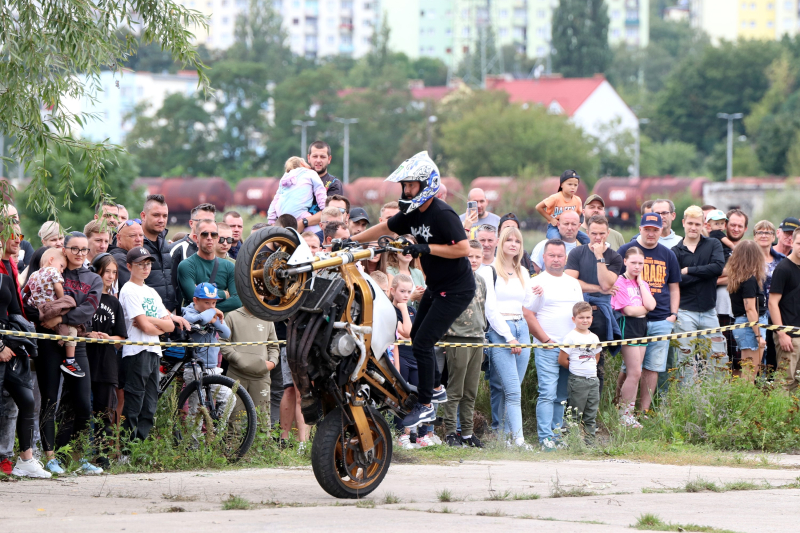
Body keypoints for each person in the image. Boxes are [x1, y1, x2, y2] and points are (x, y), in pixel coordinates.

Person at [352, 152, 473, 429]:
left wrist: (426, 248)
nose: (407, 190)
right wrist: (350, 239)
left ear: (427, 184)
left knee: (422, 342)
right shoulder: (411, 213)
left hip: (457, 289)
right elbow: (386, 227)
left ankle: (427, 405)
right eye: (404, 186)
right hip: (437, 286)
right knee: (417, 336)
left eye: (411, 186)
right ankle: (436, 389)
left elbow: (463, 248)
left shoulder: (442, 213)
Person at [27, 232, 104, 474]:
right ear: (65, 249)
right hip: (48, 342)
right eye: (75, 249)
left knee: (83, 402)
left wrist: (60, 317)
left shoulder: (93, 278)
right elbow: (28, 299)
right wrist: (43, 318)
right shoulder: (53, 269)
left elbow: (88, 309)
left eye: (84, 250)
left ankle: (81, 458)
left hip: (76, 341)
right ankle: (50, 458)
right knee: (50, 400)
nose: (80, 254)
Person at [617, 213, 681, 413]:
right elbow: (614, 279)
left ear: (661, 230)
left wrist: (673, 314)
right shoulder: (626, 251)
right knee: (629, 369)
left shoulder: (668, 254)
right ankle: (618, 406)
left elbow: (674, 287)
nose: (651, 233)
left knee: (653, 367)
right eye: (647, 229)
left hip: (661, 318)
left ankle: (643, 411)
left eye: (655, 230)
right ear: (640, 228)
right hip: (633, 320)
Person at [526, 239, 584, 450]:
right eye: (552, 255)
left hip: (570, 349)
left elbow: (579, 314)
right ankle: (545, 439)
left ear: (565, 258)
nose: (556, 259)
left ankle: (557, 436)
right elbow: (528, 314)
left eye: (560, 255)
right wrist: (546, 340)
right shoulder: (536, 282)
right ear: (544, 257)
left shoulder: (573, 283)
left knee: (561, 396)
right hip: (547, 347)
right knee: (547, 393)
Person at [0, 228, 48, 477]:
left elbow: (15, 312)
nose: (18, 241)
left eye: (20, 235)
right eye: (11, 235)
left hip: (11, 348)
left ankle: (25, 459)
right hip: (1, 347)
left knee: (26, 402)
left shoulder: (8, 274)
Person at [486, 227, 538, 448]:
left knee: (514, 387)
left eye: (518, 241)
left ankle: (509, 438)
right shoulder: (488, 271)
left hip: (522, 328)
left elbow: (528, 306)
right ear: (500, 243)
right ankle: (518, 439)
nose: (514, 244)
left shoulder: (523, 272)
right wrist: (508, 337)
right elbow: (490, 310)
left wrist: (538, 296)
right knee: (512, 388)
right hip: (501, 330)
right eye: (509, 240)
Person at [119, 247, 174, 441]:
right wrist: (156, 324)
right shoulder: (128, 290)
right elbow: (143, 326)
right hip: (136, 350)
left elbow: (170, 325)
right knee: (134, 402)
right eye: (140, 264)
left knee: (150, 404)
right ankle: (126, 448)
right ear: (129, 266)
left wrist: (153, 321)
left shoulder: (151, 292)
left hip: (153, 350)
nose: (145, 268)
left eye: (148, 264)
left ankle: (138, 446)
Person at [564, 215, 623, 397]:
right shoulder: (577, 253)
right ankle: (572, 407)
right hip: (578, 313)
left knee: (597, 364)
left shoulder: (614, 257)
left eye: (602, 234)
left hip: (599, 316)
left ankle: (593, 409)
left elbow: (607, 285)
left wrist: (599, 257)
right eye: (594, 233)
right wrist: (597, 288)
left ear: (608, 233)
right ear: (587, 232)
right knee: (572, 359)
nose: (598, 238)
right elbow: (570, 281)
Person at [671, 205, 726, 386]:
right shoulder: (675, 251)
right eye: (690, 223)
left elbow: (718, 268)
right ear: (683, 223)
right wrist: (704, 274)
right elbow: (676, 281)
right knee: (684, 360)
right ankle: (686, 401)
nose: (693, 227)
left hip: (710, 311)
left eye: (697, 224)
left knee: (718, 358)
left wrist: (688, 271)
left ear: (704, 224)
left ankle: (716, 398)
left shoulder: (713, 244)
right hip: (685, 311)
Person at [442, 240, 488, 448]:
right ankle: (451, 431)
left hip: (477, 339)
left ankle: (467, 432)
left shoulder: (481, 281)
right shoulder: (451, 279)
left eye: (478, 256)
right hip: (457, 338)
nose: (474, 260)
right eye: (470, 256)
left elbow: (483, 308)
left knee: (471, 390)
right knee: (455, 390)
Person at [85, 253, 127, 467]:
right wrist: (88, 335)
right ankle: (78, 453)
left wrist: (109, 338)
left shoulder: (114, 302)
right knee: (82, 408)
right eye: (106, 271)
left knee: (105, 412)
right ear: (97, 271)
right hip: (85, 360)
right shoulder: (87, 297)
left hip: (107, 363)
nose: (110, 276)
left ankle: (102, 455)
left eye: (114, 272)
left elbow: (121, 338)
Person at [611, 247, 656, 428]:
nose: (637, 266)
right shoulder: (620, 281)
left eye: (640, 263)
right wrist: (644, 309)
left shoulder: (640, 283)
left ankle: (627, 412)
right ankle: (624, 414)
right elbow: (628, 310)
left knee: (637, 372)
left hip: (642, 327)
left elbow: (651, 305)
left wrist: (642, 283)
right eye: (633, 263)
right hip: (627, 327)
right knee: (634, 372)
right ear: (625, 262)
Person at [25, 247, 86, 377]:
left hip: (38, 309)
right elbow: (58, 287)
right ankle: (70, 360)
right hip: (52, 307)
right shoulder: (53, 271)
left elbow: (26, 290)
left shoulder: (33, 274)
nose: (62, 270)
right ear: (51, 260)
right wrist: (63, 300)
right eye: (62, 266)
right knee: (72, 325)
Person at [181, 282, 232, 424]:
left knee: (229, 396)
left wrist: (215, 319)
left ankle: (216, 432)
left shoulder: (213, 314)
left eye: (214, 303)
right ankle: (194, 445)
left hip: (213, 368)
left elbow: (226, 333)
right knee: (197, 409)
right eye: (207, 302)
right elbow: (200, 319)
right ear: (195, 300)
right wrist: (213, 312)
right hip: (194, 368)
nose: (211, 306)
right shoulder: (188, 311)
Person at [221, 305, 279, 423]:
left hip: (261, 378)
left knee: (262, 420)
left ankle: (262, 443)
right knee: (235, 420)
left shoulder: (267, 318)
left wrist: (273, 362)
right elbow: (223, 343)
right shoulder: (232, 316)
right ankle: (235, 442)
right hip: (236, 376)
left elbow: (274, 346)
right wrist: (238, 359)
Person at [558, 302, 602, 444]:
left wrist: (590, 367)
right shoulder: (571, 337)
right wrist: (576, 368)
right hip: (577, 380)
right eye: (581, 317)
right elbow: (562, 359)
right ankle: (573, 442)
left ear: (592, 318)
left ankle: (590, 443)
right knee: (575, 413)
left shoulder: (594, 337)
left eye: (588, 317)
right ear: (574, 319)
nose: (585, 320)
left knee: (591, 413)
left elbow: (596, 356)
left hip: (593, 380)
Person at [391, 274, 425, 449]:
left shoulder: (413, 311)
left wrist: (408, 309)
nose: (405, 295)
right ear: (392, 291)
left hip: (415, 357)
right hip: (401, 357)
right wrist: (404, 308)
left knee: (417, 395)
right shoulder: (391, 311)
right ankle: (400, 433)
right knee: (402, 397)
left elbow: (418, 331)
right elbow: (407, 332)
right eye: (402, 291)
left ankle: (415, 433)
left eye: (408, 292)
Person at [177, 219, 241, 312]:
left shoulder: (229, 266)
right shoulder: (186, 265)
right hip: (194, 323)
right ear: (196, 238)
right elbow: (194, 298)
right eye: (204, 234)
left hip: (220, 323)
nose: (209, 238)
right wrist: (223, 294)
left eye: (213, 234)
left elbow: (237, 302)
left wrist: (207, 305)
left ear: (218, 238)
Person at [727, 241, 768, 383]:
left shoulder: (738, 277)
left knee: (749, 372)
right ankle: (743, 404)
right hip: (750, 325)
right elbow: (750, 308)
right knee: (750, 374)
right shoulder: (749, 279)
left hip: (746, 324)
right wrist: (758, 336)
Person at [767, 227, 800, 391]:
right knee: (784, 382)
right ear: (792, 242)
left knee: (797, 384)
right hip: (788, 335)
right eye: (799, 243)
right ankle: (779, 417)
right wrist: (782, 333)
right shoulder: (783, 268)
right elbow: (772, 303)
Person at [753, 220, 785, 371]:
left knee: (773, 357)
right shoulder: (748, 259)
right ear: (754, 236)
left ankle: (771, 391)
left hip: (778, 314)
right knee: (756, 359)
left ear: (774, 237)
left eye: (768, 232)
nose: (764, 235)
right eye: (760, 232)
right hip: (755, 314)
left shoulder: (782, 260)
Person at [170, 203, 216, 306]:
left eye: (211, 221)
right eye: (202, 221)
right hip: (184, 315)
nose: (207, 225)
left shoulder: (219, 250)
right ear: (191, 223)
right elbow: (169, 287)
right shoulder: (177, 249)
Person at [139, 194, 177, 313]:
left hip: (170, 314)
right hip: (147, 314)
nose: (161, 220)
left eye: (165, 216)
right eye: (156, 215)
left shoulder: (164, 241)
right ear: (143, 216)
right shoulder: (135, 243)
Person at [268, 157, 327, 232]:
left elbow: (275, 200)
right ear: (302, 163)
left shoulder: (284, 178)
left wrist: (271, 220)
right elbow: (320, 190)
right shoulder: (310, 173)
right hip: (298, 212)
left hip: (282, 215)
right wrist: (324, 209)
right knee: (318, 233)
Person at [535, 170, 589, 245]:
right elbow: (538, 207)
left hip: (570, 227)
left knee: (587, 239)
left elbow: (578, 215)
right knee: (556, 240)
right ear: (561, 185)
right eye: (569, 184)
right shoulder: (555, 198)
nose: (573, 187)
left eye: (575, 185)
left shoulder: (577, 200)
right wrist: (551, 219)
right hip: (555, 226)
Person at [384, 234, 425, 305]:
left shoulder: (418, 273)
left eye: (412, 248)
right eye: (404, 247)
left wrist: (421, 298)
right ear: (396, 250)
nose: (408, 251)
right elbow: (387, 302)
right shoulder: (388, 271)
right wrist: (411, 298)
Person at [109, 219, 144, 291]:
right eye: (133, 235)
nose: (138, 239)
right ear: (119, 238)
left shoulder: (132, 258)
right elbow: (136, 291)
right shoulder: (119, 259)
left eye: (141, 235)